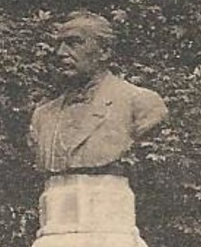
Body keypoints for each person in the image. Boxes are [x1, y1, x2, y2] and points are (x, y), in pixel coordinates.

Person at [29, 11, 168, 175]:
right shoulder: (43, 116)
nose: (61, 53)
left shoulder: (140, 103)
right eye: (59, 45)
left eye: (74, 43)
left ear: (104, 52)